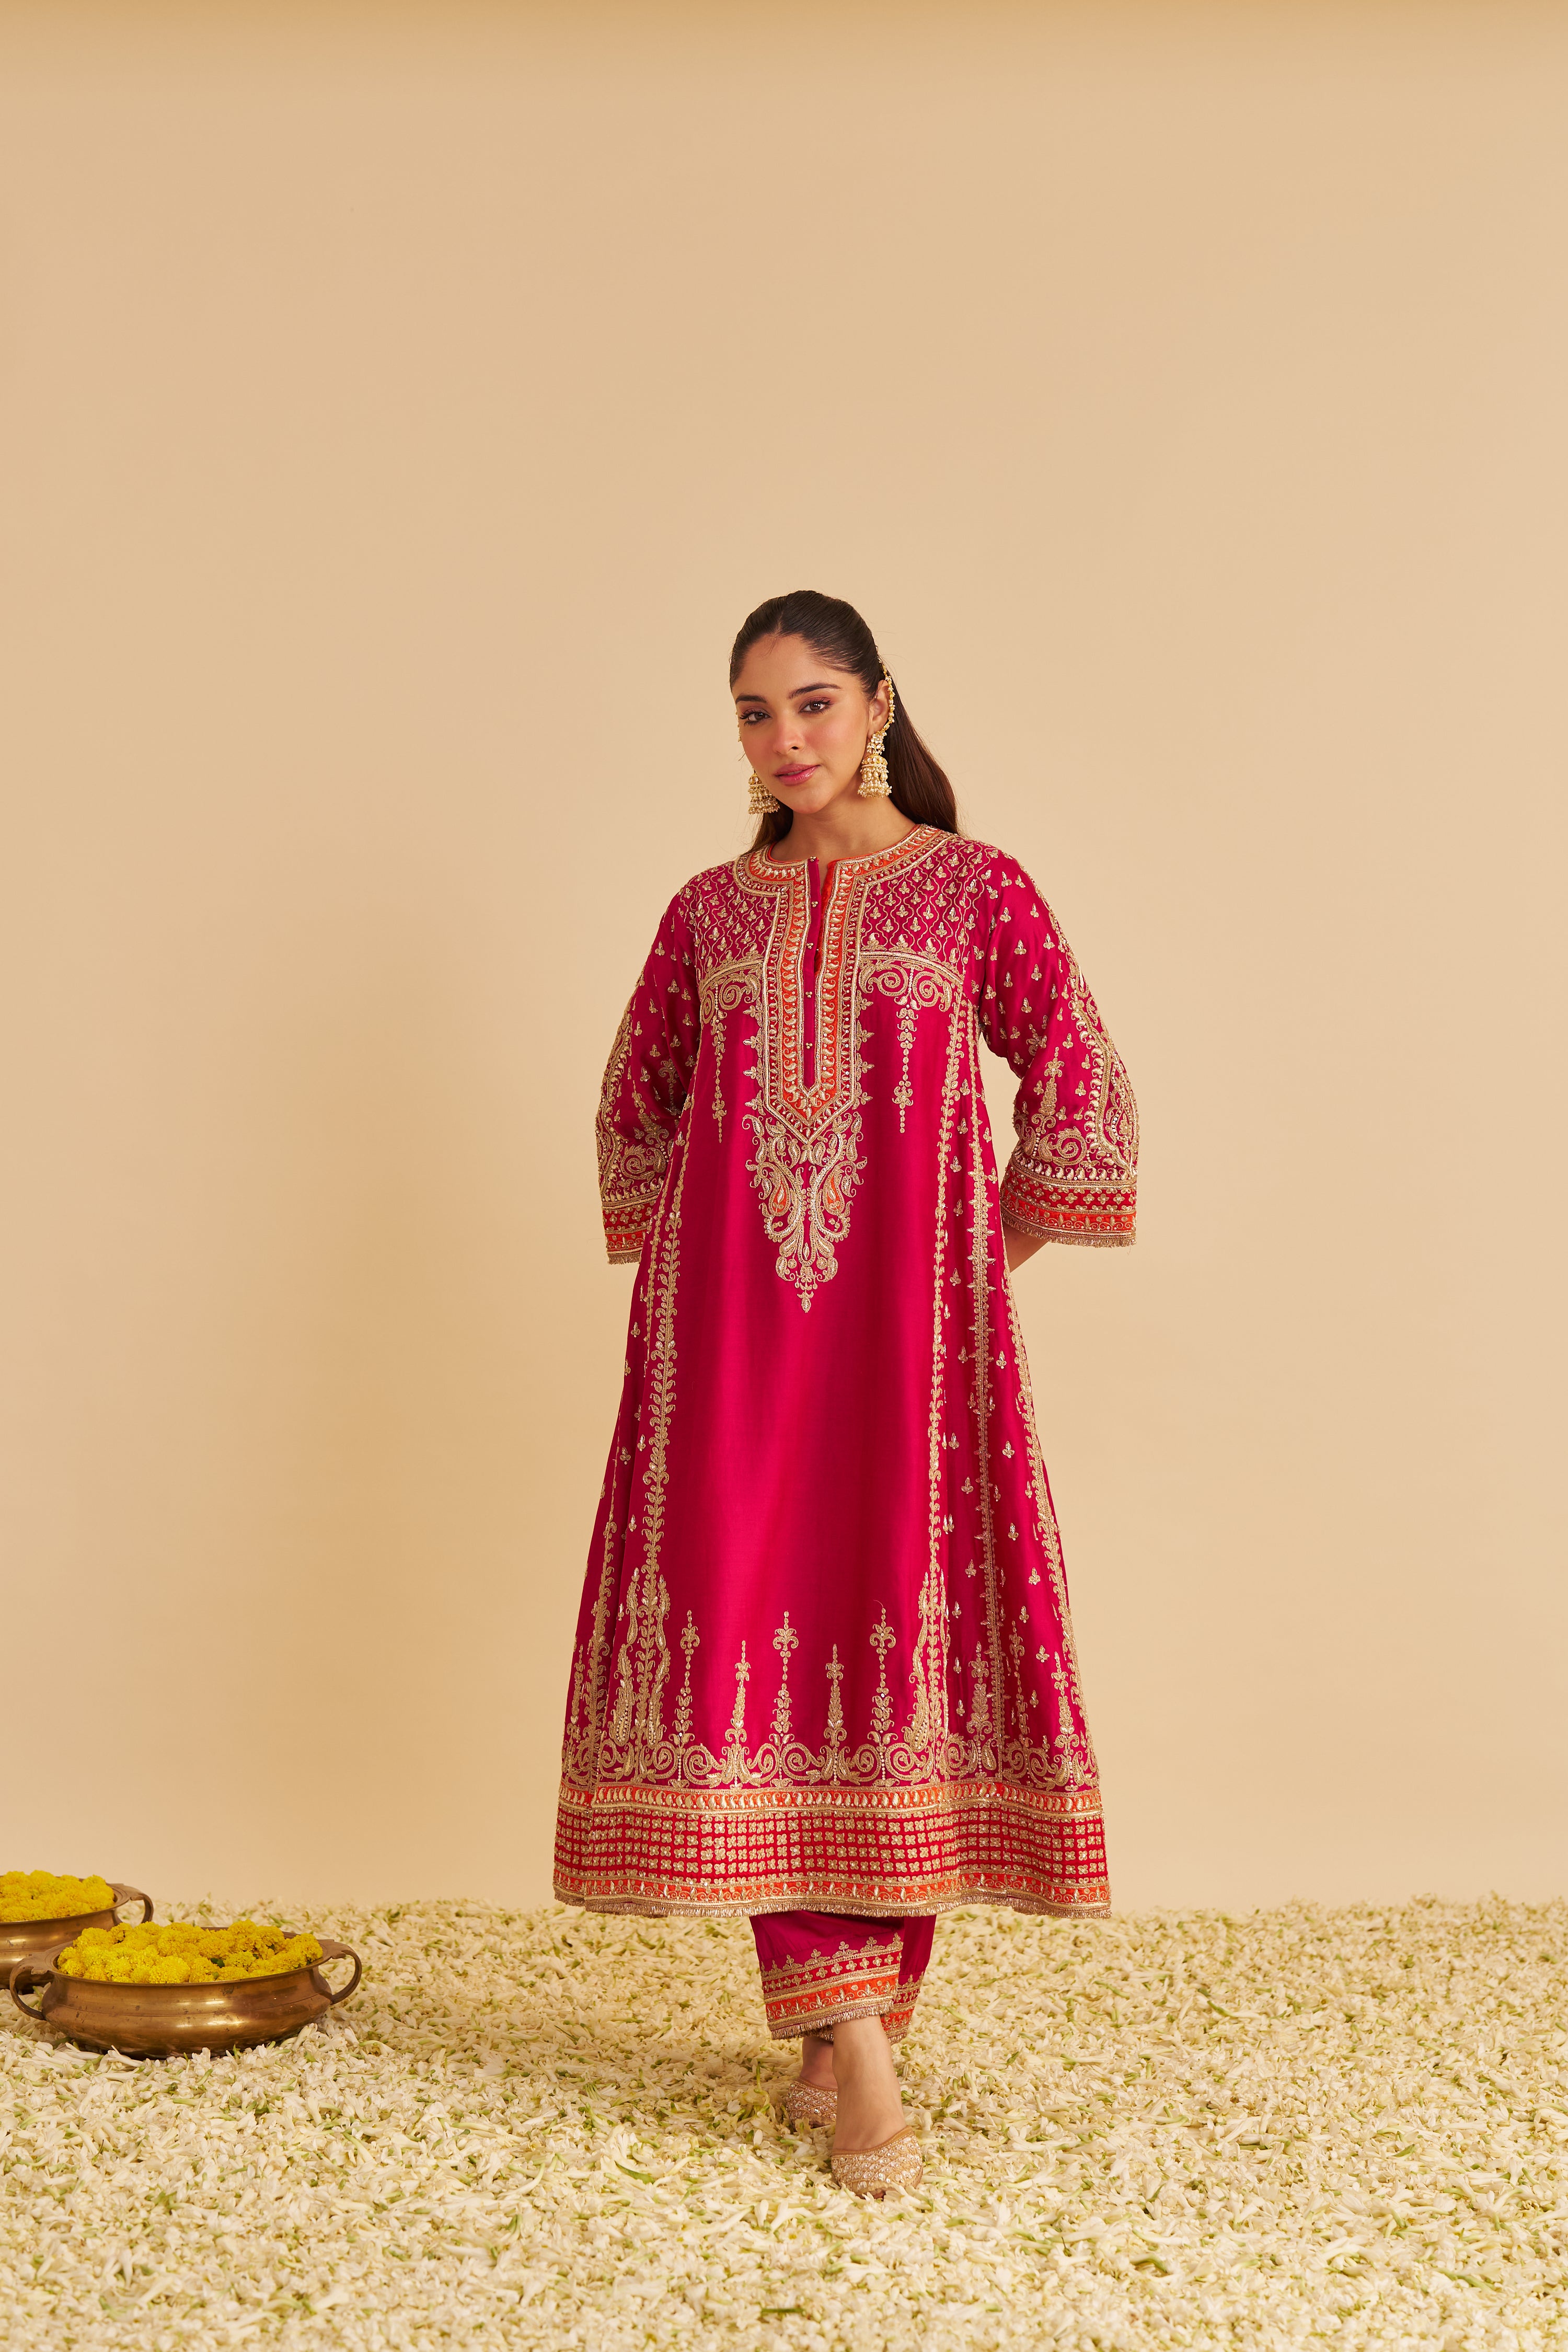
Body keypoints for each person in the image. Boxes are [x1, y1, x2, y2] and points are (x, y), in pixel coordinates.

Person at [554, 590, 1137, 2198]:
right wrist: (694, 1274)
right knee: (751, 1643)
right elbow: (630, 1107)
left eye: (812, 702)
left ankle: (846, 2015)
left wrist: (973, 1254)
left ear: (879, 704)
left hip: (912, 1357)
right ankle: (860, 2049)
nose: (784, 737)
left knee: (900, 1641)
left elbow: (1081, 1084)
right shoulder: (708, 914)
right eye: (754, 712)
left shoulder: (976, 891)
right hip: (732, 1359)